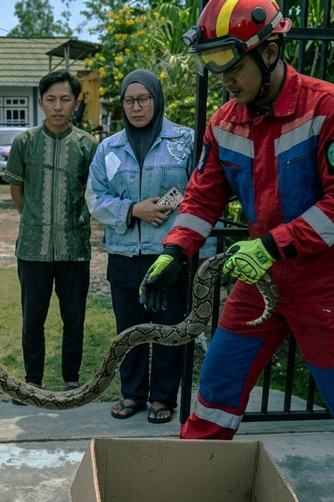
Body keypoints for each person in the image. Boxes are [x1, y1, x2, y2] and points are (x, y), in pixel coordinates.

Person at [138, 1, 334, 502]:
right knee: (216, 391)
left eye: (231, 65)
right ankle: (181, 501)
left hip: (329, 282)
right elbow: (204, 195)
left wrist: (273, 246)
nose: (224, 79)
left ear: (270, 51)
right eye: (212, 66)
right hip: (261, 279)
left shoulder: (332, 109)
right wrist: (176, 249)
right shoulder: (224, 122)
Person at [86, 69, 194, 423]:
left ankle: (163, 398)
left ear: (157, 99)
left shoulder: (185, 142)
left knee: (168, 329)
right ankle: (132, 394)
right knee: (129, 329)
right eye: (129, 101)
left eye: (143, 99)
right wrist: (134, 210)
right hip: (125, 255)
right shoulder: (108, 148)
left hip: (169, 254)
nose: (136, 107)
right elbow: (94, 198)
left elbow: (201, 193)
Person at [2, 70, 98, 404]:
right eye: (52, 99)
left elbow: (93, 192)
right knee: (33, 319)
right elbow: (17, 189)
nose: (58, 107)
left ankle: (71, 380)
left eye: (66, 99)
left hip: (74, 247)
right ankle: (32, 382)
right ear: (40, 102)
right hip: (32, 248)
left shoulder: (88, 145)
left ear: (76, 103)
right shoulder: (25, 142)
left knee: (74, 317)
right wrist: (34, 218)